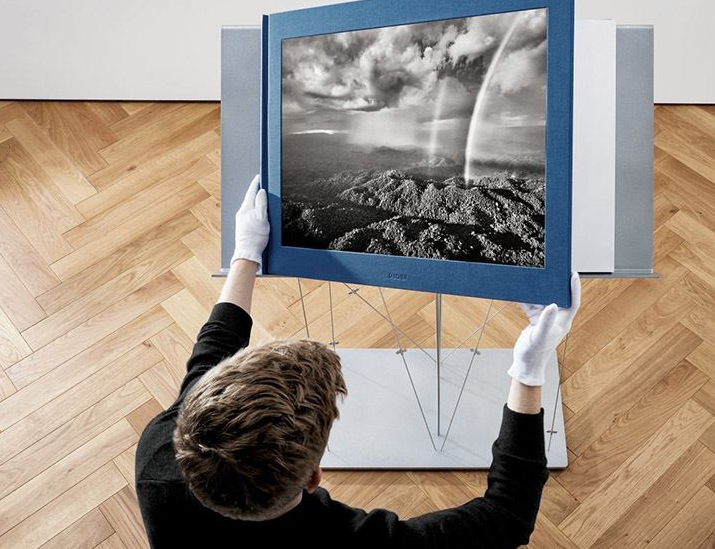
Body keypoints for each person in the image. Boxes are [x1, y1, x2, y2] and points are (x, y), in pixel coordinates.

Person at [135, 175, 581, 547]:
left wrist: (245, 255)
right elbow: (506, 514)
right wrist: (530, 363)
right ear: (314, 476)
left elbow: (212, 350)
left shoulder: (159, 460)